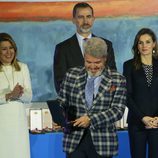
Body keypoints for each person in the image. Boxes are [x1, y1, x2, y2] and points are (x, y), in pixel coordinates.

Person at [53, 37, 126, 158]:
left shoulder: (117, 80)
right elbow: (62, 101)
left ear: (105, 59)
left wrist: (91, 119)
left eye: (97, 62)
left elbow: (117, 111)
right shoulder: (71, 74)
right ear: (84, 57)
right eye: (88, 62)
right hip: (74, 142)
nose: (92, 66)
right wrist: (60, 118)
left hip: (103, 143)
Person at [54, 2, 116, 92]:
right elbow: (60, 83)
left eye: (88, 16)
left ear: (93, 19)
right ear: (74, 20)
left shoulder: (107, 45)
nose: (85, 21)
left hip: (102, 103)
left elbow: (112, 76)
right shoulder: (62, 48)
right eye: (80, 17)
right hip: (74, 103)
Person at [123, 28, 158, 158]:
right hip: (137, 123)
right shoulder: (128, 66)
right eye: (140, 42)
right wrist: (143, 118)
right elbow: (127, 95)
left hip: (157, 122)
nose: (144, 46)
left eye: (148, 42)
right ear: (136, 45)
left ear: (154, 44)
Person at [0, 33, 32, 158]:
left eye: (11, 47)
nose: (9, 52)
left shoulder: (23, 67)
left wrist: (19, 94)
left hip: (19, 123)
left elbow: (29, 97)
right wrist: (8, 95)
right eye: (4, 49)